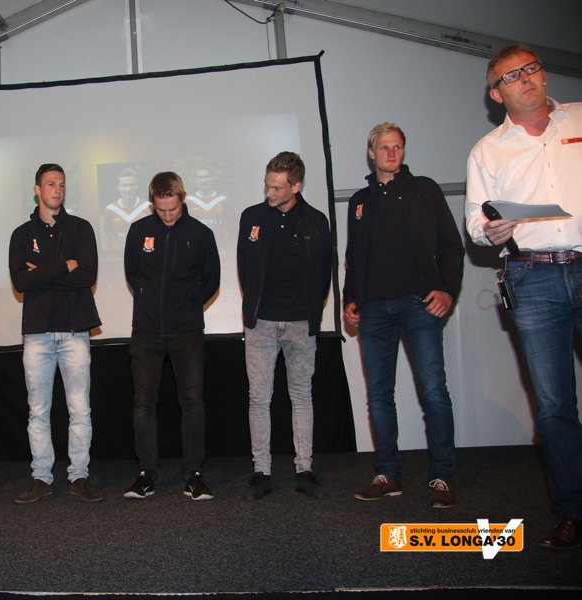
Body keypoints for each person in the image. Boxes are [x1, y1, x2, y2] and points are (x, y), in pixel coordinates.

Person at [465, 43, 582, 551]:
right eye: (512, 76)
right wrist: (490, 231)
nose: (526, 78)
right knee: (555, 404)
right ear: (497, 94)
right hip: (533, 277)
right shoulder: (487, 150)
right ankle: (573, 509)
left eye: (532, 69)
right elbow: (476, 222)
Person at [343, 122, 464, 508]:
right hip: (374, 309)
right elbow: (352, 257)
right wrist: (350, 298)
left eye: (397, 147)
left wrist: (447, 289)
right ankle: (388, 474)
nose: (391, 153)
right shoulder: (359, 201)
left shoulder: (424, 190)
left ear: (403, 151)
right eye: (384, 147)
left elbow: (451, 245)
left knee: (433, 391)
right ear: (371, 153)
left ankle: (442, 476)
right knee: (379, 395)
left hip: (419, 304)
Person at [237, 152, 332, 500]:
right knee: (259, 398)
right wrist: (254, 309)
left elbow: (324, 273)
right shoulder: (252, 217)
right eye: (267, 185)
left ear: (296, 186)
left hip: (300, 324)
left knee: (301, 396)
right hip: (261, 324)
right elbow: (245, 267)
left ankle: (304, 468)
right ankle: (261, 470)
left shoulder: (316, 221)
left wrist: (311, 313)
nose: (269, 192)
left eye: (277, 187)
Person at [8, 163, 103, 504]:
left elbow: (88, 276)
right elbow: (21, 281)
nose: (57, 190)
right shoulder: (21, 234)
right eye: (51, 184)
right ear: (37, 189)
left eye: (61, 184)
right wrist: (65, 266)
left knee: (80, 410)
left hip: (75, 331)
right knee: (38, 411)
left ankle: (79, 476)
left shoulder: (81, 228)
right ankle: (41, 477)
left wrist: (43, 273)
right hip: (37, 334)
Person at [123, 171, 220, 500]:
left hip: (186, 331)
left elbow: (211, 279)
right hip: (146, 330)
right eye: (161, 209)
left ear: (183, 199)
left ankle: (193, 474)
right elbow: (132, 273)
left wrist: (187, 305)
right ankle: (146, 474)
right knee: (143, 403)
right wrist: (149, 301)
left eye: (173, 209)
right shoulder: (139, 231)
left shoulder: (201, 234)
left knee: (192, 403)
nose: (167, 216)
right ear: (153, 202)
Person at [101, 167, 150, 252]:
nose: (128, 189)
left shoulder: (148, 207)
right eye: (124, 185)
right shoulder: (110, 209)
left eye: (131, 185)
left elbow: (152, 235)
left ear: (137, 186)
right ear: (118, 187)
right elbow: (107, 237)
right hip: (118, 256)